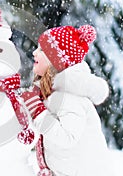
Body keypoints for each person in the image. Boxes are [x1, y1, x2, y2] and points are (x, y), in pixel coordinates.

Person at [29, 25, 115, 176]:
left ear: (55, 60)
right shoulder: (55, 93)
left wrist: (38, 113)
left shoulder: (70, 97)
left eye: (41, 50)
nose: (34, 53)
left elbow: (67, 137)